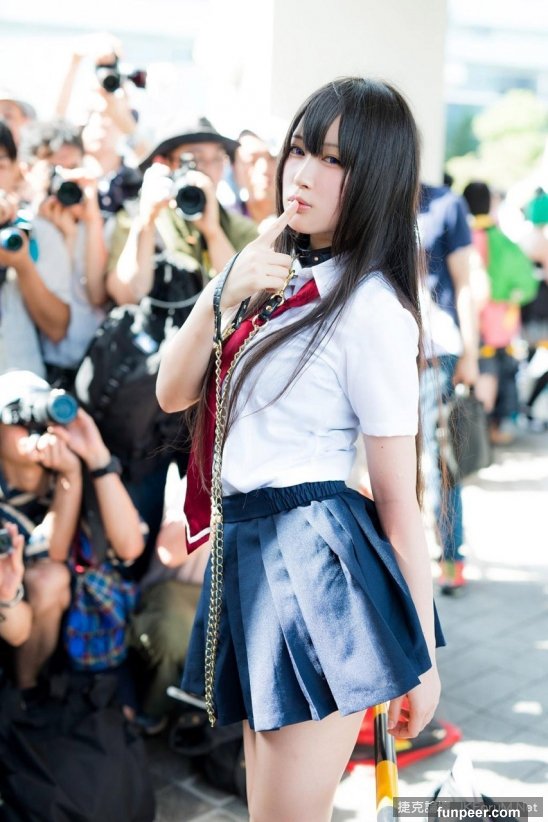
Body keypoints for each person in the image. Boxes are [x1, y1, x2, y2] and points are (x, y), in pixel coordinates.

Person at [157, 77, 443, 821]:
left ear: (376, 177)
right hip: (250, 550)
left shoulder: (372, 308)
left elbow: (398, 500)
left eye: (334, 160)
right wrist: (223, 287)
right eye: (299, 150)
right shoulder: (271, 276)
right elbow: (172, 391)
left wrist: (423, 660)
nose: (304, 174)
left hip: (312, 566)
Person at [418, 182, 478, 594]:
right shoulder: (371, 192)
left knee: (441, 459)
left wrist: (471, 352)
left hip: (437, 352)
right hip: (384, 349)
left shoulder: (444, 204)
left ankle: (451, 554)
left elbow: (464, 282)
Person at [462, 181, 538, 444]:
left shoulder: (467, 237)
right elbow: (525, 279)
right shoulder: (501, 238)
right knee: (499, 373)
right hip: (503, 322)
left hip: (477, 319)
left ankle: (480, 436)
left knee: (485, 372)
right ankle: (495, 430)